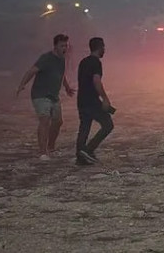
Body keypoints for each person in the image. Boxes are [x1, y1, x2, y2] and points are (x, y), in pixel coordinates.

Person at [16, 34, 75, 161]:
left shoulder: (62, 59)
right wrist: (22, 85)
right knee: (44, 120)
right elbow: (32, 71)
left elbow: (61, 74)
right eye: (62, 46)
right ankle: (43, 152)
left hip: (54, 95)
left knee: (58, 121)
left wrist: (67, 87)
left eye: (66, 45)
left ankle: (51, 146)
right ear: (55, 46)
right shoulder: (46, 58)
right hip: (40, 94)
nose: (65, 48)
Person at [76, 37, 115, 165]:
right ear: (100, 47)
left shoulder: (83, 62)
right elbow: (96, 81)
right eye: (103, 47)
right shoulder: (96, 63)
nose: (104, 50)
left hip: (81, 99)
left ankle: (81, 156)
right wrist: (105, 99)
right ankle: (88, 150)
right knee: (108, 124)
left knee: (84, 127)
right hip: (92, 100)